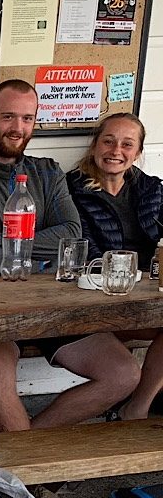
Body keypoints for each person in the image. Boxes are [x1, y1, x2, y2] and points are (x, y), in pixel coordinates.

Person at [0, 79, 139, 434]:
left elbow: (71, 234)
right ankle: (24, 475)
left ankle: (25, 458)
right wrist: (37, 257)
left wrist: (7, 247)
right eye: (8, 117)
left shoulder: (46, 172)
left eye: (27, 119)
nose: (18, 128)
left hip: (50, 305)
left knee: (123, 374)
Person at [67, 112, 163, 420]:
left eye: (126, 144)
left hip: (145, 293)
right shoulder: (71, 189)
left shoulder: (150, 188)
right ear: (94, 145)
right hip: (98, 296)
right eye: (108, 141)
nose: (115, 151)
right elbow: (85, 250)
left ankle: (138, 407)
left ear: (138, 152)